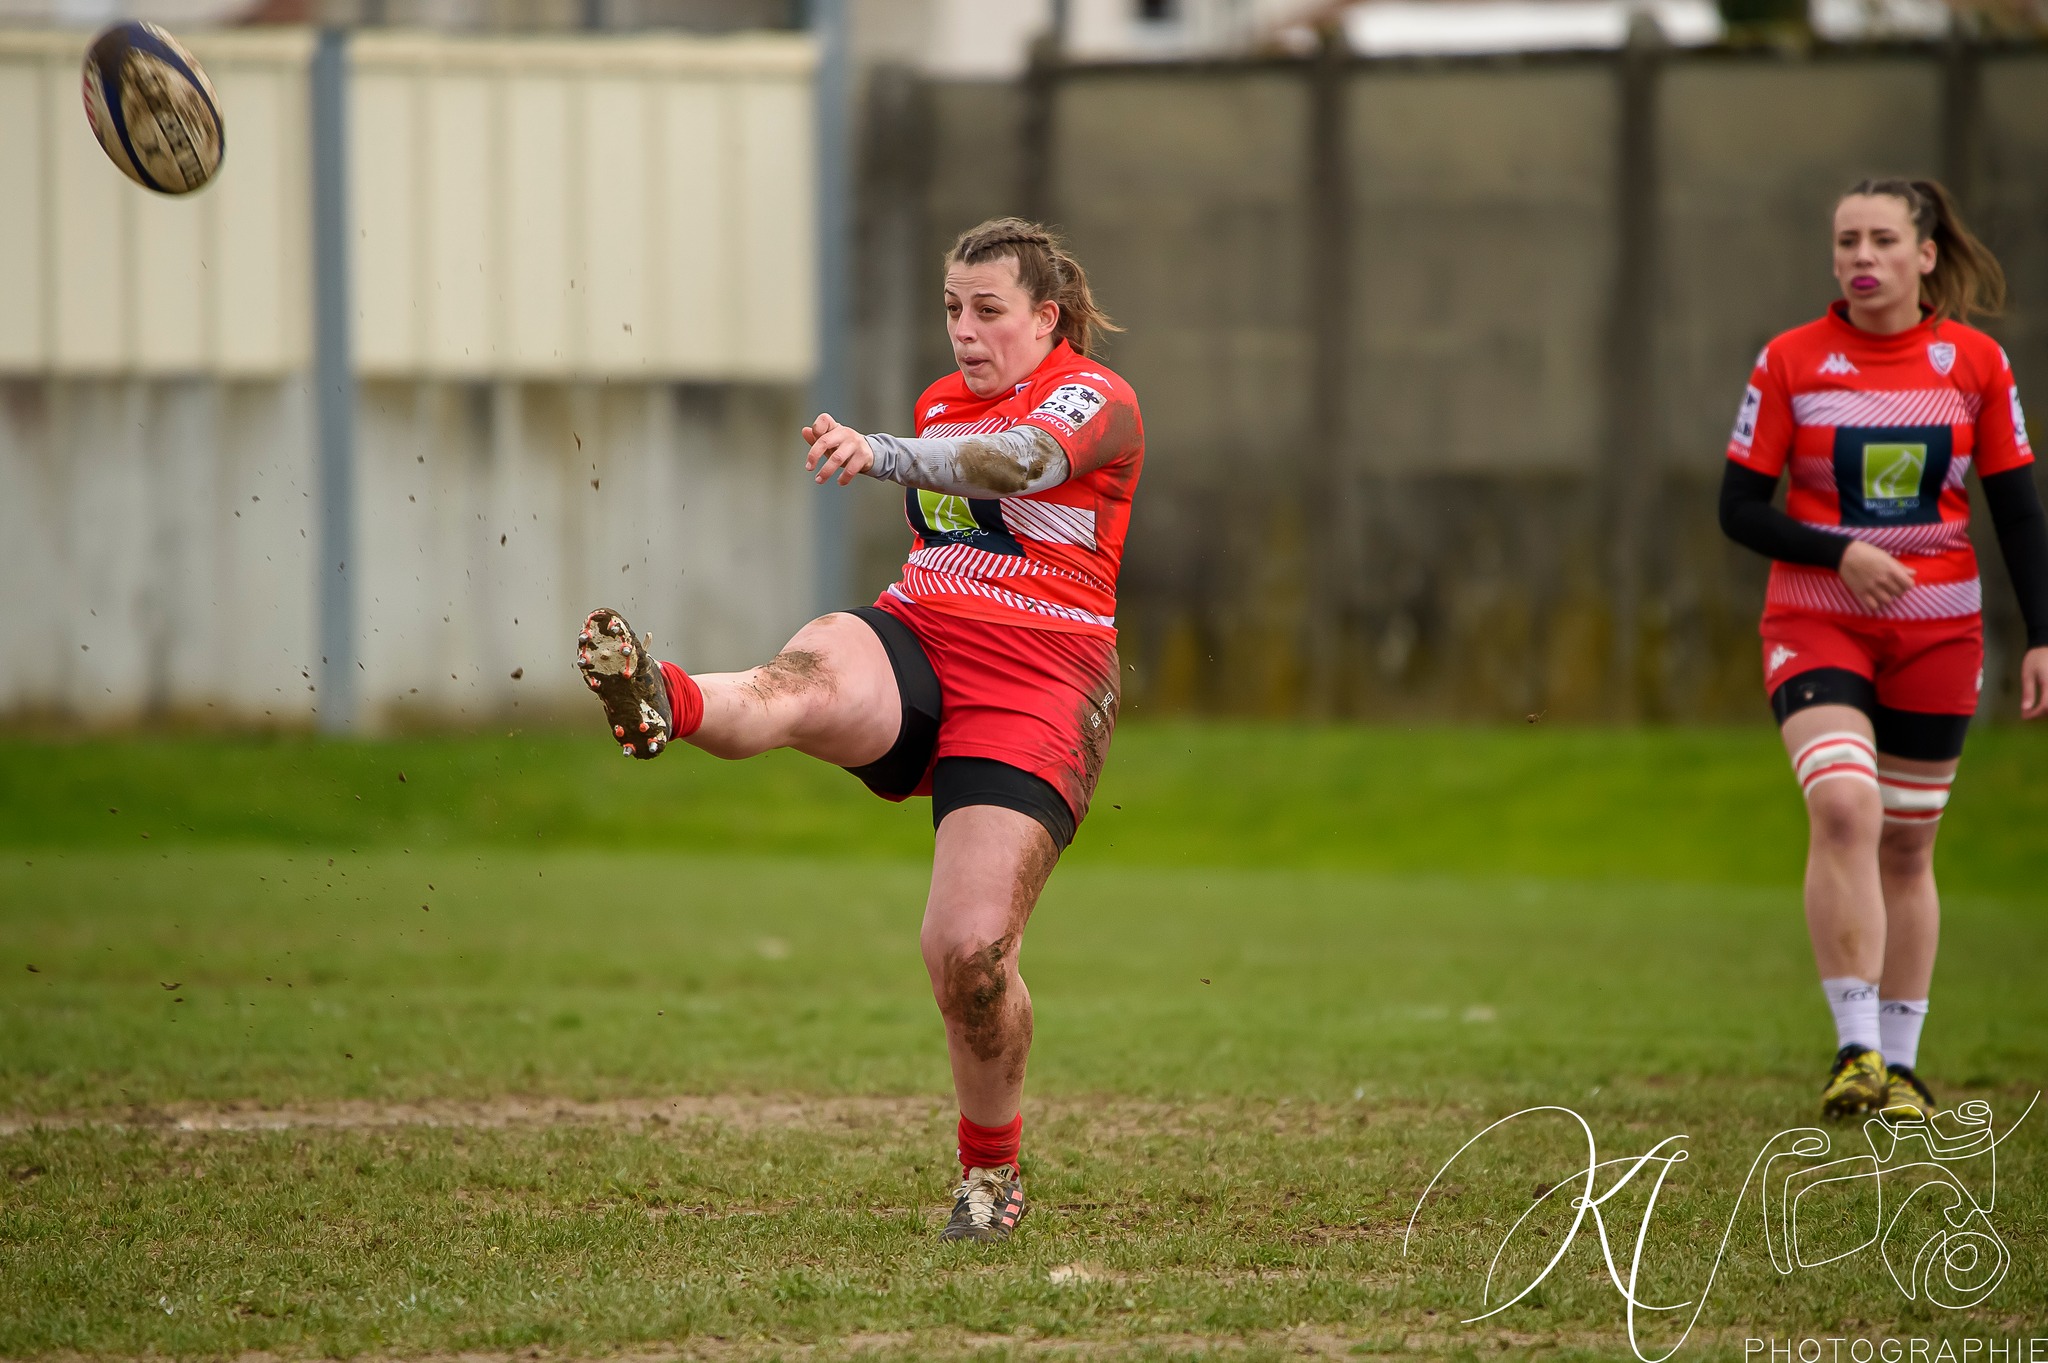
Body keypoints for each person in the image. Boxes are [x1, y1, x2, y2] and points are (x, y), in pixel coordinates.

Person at [573, 218, 1143, 1240]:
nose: (962, 332)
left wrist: (880, 451)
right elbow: (958, 478)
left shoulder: (1093, 397)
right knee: (791, 684)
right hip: (919, 627)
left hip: (1040, 677)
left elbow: (1017, 462)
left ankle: (989, 1176)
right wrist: (902, 446)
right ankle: (664, 698)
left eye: (986, 310)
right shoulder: (938, 401)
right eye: (949, 309)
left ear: (1045, 317)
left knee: (966, 953)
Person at [1719, 178, 2048, 1121]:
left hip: (1939, 632)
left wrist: (2044, 634)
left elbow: (2017, 509)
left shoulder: (1976, 363)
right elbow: (1737, 508)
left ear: (1925, 253)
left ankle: (1901, 1067)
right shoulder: (1790, 361)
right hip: (1815, 620)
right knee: (1844, 804)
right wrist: (1840, 552)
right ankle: (1855, 1047)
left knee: (1908, 844)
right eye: (1846, 242)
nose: (1861, 258)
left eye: (1880, 241)